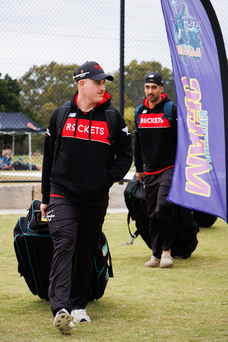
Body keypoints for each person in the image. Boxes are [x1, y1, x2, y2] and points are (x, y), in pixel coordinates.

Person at [40, 61, 133, 334]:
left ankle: (79, 304)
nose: (102, 87)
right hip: (62, 193)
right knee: (65, 242)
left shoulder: (113, 118)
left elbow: (126, 155)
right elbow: (48, 159)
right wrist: (46, 195)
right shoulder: (60, 115)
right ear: (82, 84)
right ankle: (60, 308)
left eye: (104, 82)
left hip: (95, 197)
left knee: (86, 247)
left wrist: (104, 180)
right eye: (97, 82)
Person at [134, 72, 177, 269]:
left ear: (161, 88)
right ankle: (156, 254)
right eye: (147, 87)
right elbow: (138, 143)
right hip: (148, 171)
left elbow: (182, 139)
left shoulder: (171, 109)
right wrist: (139, 168)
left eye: (154, 87)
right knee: (151, 214)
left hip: (169, 168)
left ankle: (167, 252)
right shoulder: (139, 112)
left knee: (162, 208)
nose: (150, 91)